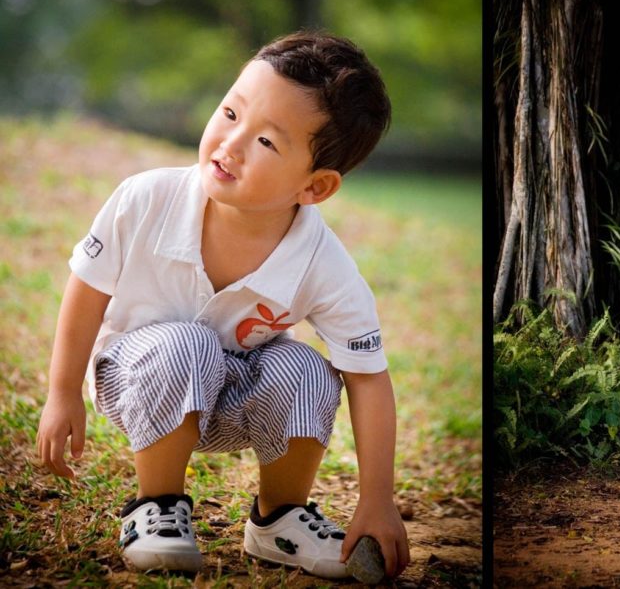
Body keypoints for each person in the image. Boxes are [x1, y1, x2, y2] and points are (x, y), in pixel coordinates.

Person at [34, 31, 410, 581]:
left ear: (315, 187)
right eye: (231, 112)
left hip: (233, 395)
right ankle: (156, 506)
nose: (230, 143)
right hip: (137, 379)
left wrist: (378, 498)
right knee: (187, 343)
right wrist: (62, 393)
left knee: (305, 365)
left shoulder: (321, 261)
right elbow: (86, 287)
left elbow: (369, 377)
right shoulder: (146, 198)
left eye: (266, 143)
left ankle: (279, 520)